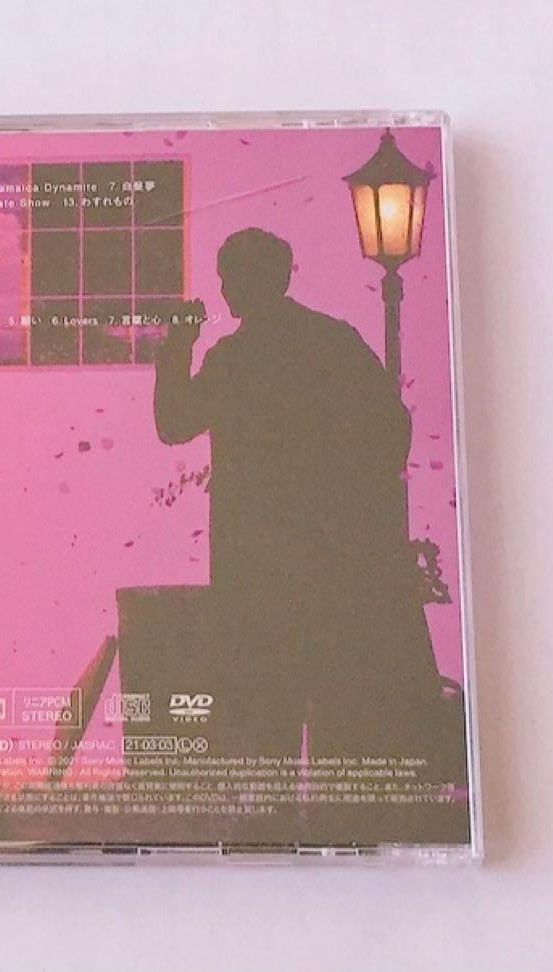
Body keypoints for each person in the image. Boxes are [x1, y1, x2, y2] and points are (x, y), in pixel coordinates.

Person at [153, 228, 442, 759]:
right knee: (337, 705)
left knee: (267, 710)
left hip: (255, 560)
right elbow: (391, 428)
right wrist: (359, 503)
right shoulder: (335, 342)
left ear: (244, 282)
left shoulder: (233, 360)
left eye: (228, 277)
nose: (224, 289)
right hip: (333, 554)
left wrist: (177, 346)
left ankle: (276, 801)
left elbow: (173, 422)